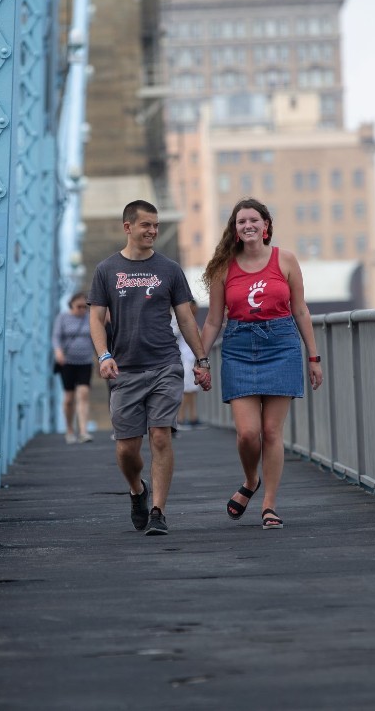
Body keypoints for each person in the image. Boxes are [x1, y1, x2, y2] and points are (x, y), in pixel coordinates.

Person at [88, 200, 212, 536]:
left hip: (164, 364)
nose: (153, 231)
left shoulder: (170, 269)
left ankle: (159, 511)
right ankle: (137, 490)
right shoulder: (107, 269)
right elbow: (96, 318)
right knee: (127, 448)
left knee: (160, 436)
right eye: (146, 225)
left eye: (156, 225)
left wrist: (201, 361)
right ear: (128, 227)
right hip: (125, 369)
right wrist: (104, 355)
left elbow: (185, 317)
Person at [198, 198, 323, 531]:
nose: (248, 225)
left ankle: (269, 504)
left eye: (254, 220)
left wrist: (314, 357)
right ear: (235, 230)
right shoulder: (224, 267)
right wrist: (201, 359)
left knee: (271, 432)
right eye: (241, 222)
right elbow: (212, 321)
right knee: (247, 434)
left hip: (281, 345)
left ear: (266, 225)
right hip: (239, 347)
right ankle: (250, 479)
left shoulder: (286, 260)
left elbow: (300, 311)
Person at [53, 292, 95, 443]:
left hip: (85, 362)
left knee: (83, 394)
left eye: (85, 307)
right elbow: (56, 337)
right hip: (67, 363)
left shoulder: (90, 318)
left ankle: (83, 431)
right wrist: (58, 352)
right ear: (71, 305)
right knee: (69, 398)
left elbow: (97, 336)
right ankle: (70, 429)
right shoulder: (63, 318)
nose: (82, 310)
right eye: (79, 307)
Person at [171, 300, 201, 431]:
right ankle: (181, 419)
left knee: (192, 389)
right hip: (183, 357)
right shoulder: (176, 317)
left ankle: (193, 417)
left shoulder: (189, 319)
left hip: (191, 357)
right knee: (186, 389)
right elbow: (175, 333)